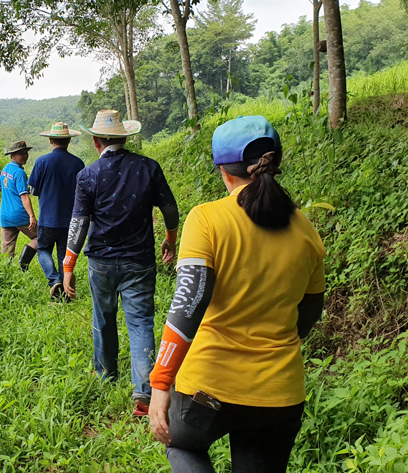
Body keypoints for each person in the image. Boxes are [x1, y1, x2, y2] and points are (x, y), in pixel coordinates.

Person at [147, 115, 326, 472]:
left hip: (207, 390)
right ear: (274, 164)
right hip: (279, 394)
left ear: (223, 172)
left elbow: (188, 305)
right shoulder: (307, 230)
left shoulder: (207, 219)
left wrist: (160, 383)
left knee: (181, 446)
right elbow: (307, 316)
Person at [62, 110, 179, 417]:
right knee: (140, 323)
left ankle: (105, 375)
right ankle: (143, 393)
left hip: (100, 261)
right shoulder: (148, 168)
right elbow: (170, 208)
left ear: (96, 140)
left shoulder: (87, 175)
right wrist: (170, 238)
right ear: (124, 137)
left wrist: (68, 267)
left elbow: (79, 224)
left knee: (103, 319)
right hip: (139, 261)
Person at [28, 122, 85, 301]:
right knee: (63, 254)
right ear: (68, 140)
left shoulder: (41, 162)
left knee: (43, 249)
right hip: (70, 220)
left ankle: (54, 281)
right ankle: (65, 293)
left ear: (51, 140)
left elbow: (33, 190)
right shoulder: (78, 163)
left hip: (47, 218)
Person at [0, 140, 38, 269]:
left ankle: (5, 272)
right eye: (21, 153)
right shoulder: (20, 173)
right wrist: (32, 216)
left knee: (7, 249)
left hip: (5, 215)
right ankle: (24, 261)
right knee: (41, 237)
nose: (25, 155)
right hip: (19, 215)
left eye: (26, 152)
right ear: (12, 155)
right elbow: (24, 195)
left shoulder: (5, 170)